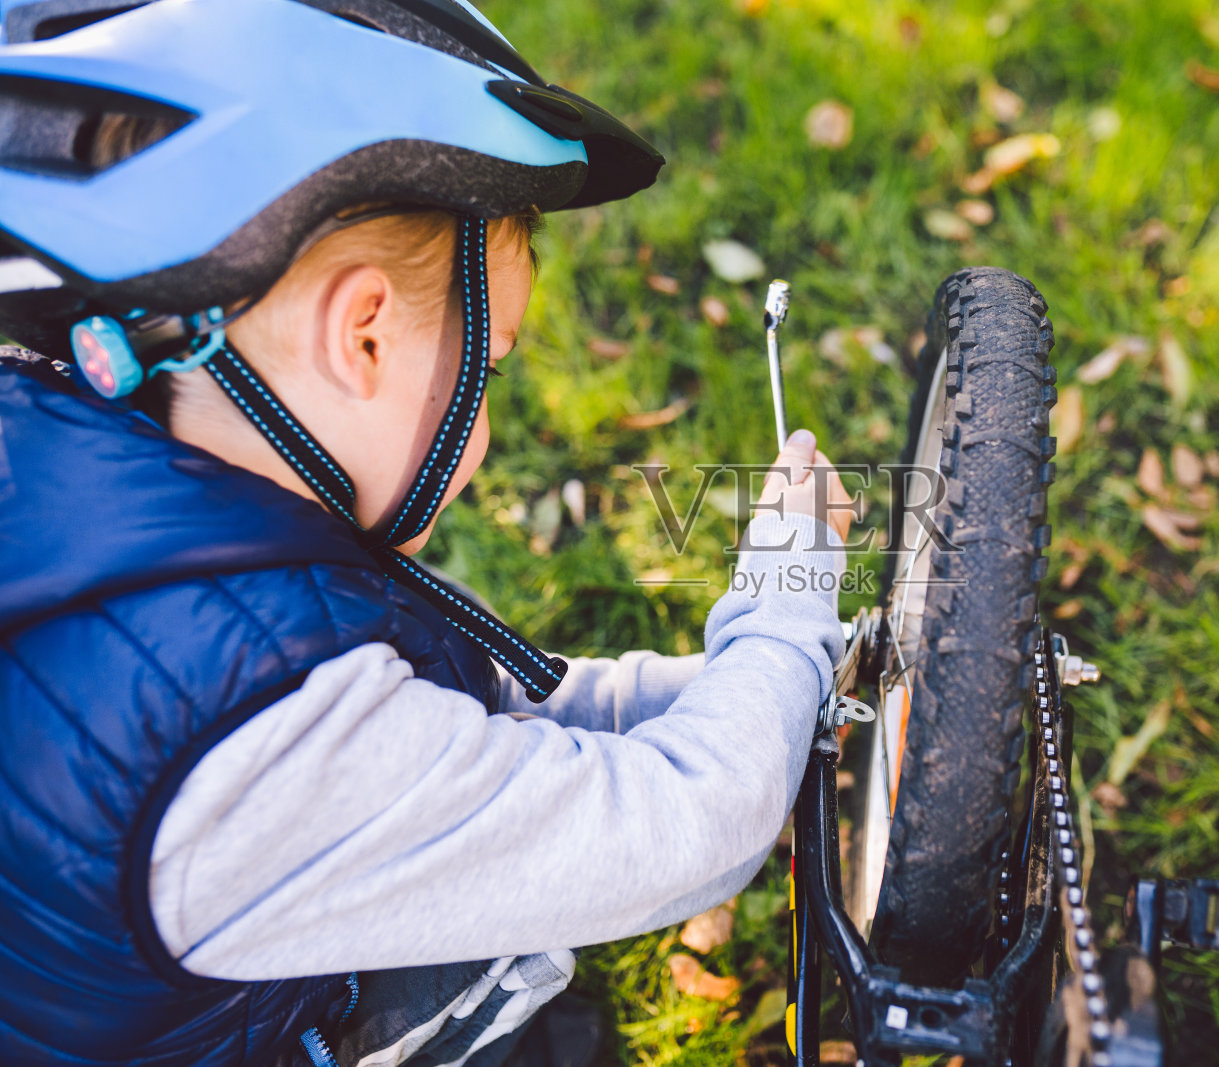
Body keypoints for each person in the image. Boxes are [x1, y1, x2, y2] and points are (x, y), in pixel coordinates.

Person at [0, 2, 853, 1064]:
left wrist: (762, 685)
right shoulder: (239, 745)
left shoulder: (113, 514)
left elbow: (497, 714)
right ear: (360, 336)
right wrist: (785, 610)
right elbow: (686, 823)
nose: (488, 431)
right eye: (486, 373)